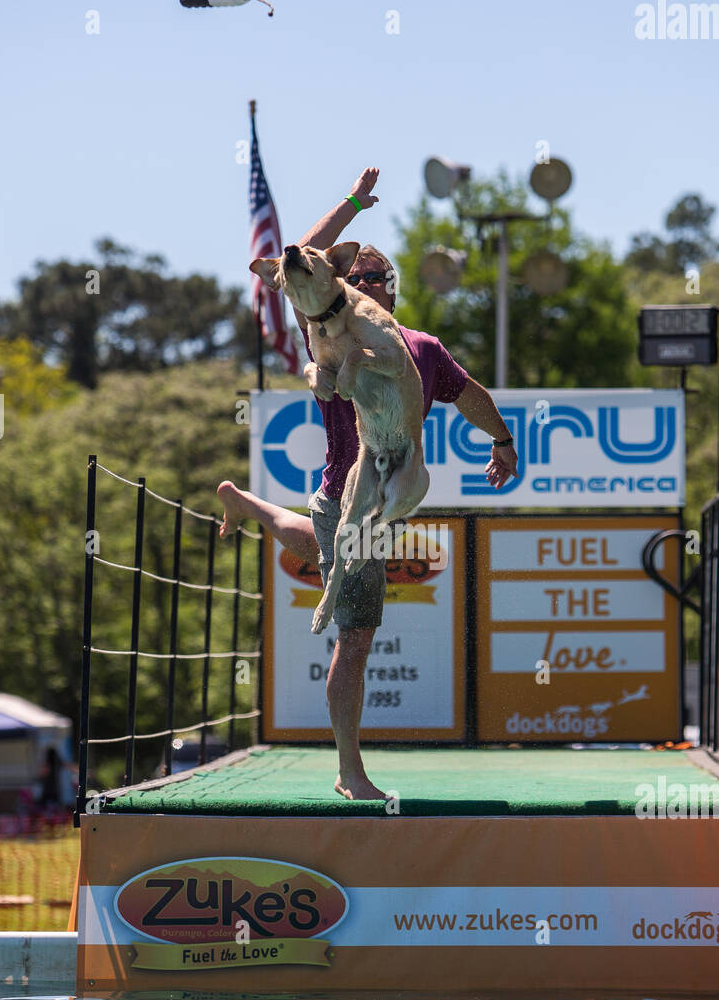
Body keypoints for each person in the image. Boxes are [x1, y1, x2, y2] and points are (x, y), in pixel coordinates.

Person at [219, 167, 518, 800]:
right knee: (355, 634)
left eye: (367, 280)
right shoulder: (325, 329)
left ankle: (250, 505)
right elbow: (294, 258)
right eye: (358, 280)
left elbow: (474, 399)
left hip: (351, 494)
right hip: (354, 494)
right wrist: (352, 204)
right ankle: (350, 772)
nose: (362, 288)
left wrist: (503, 437)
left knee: (327, 545)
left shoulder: (414, 349)